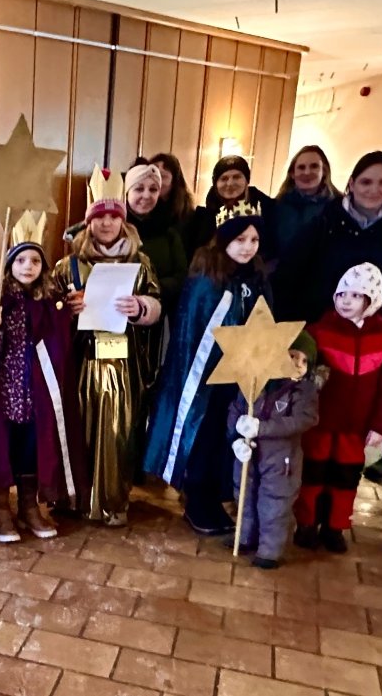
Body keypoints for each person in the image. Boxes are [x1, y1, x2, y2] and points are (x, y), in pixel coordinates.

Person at [144, 202, 268, 536]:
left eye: (254, 240)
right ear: (224, 239)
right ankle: (196, 498)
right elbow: (193, 330)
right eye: (240, 239)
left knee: (228, 436)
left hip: (239, 374)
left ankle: (216, 497)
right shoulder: (206, 278)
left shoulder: (255, 277)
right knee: (204, 436)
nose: (247, 247)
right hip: (206, 377)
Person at [0, 212, 84, 542]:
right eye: (21, 261)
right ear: (10, 265)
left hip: (36, 395)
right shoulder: (0, 300)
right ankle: (0, 510)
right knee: (3, 448)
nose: (28, 266)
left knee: (32, 449)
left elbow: (59, 341)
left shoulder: (50, 302)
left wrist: (68, 315)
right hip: (4, 393)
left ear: (42, 267)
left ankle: (29, 507)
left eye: (34, 261)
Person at [53, 172, 163, 526]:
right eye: (99, 216)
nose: (106, 222)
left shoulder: (140, 263)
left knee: (117, 434)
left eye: (114, 216)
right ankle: (75, 499)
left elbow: (158, 304)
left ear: (123, 220)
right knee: (78, 429)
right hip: (82, 362)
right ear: (89, 221)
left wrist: (141, 307)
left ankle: (113, 500)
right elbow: (47, 310)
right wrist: (66, 309)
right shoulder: (67, 265)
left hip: (122, 364)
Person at [295, 263, 382, 553]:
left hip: (355, 429)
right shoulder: (318, 332)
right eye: (342, 294)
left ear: (372, 301)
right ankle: (306, 523)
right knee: (312, 474)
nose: (346, 301)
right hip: (318, 424)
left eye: (356, 296)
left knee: (345, 479)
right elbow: (300, 376)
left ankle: (335, 526)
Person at [277, 151, 382, 332]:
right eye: (366, 182)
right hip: (321, 333)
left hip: (375, 338)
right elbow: (289, 272)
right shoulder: (326, 221)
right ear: (352, 184)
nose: (374, 190)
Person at [228, 332, 321, 569]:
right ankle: (245, 536)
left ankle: (269, 550)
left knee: (274, 503)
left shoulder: (305, 392)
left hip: (281, 461)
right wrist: (237, 433)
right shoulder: (257, 383)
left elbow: (301, 421)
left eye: (304, 361)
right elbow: (238, 407)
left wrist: (261, 427)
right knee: (245, 495)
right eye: (293, 356)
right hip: (250, 453)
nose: (298, 365)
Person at [123, 164, 189, 311]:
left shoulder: (169, 232)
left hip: (157, 309)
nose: (146, 195)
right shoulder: (114, 229)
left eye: (153, 189)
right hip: (119, 307)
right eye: (139, 188)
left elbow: (181, 275)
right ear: (127, 192)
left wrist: (152, 289)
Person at [185, 155, 276, 256]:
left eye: (236, 177)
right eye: (224, 178)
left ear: (246, 180)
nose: (230, 183)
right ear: (216, 184)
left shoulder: (267, 210)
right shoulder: (203, 217)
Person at [269, 146, 340, 262]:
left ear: (324, 171)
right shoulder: (277, 206)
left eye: (314, 166)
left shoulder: (339, 207)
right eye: (301, 167)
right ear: (292, 173)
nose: (307, 172)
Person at [143, 152, 198, 250]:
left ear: (174, 182)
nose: (156, 182)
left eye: (163, 177)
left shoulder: (188, 216)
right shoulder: (140, 210)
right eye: (152, 176)